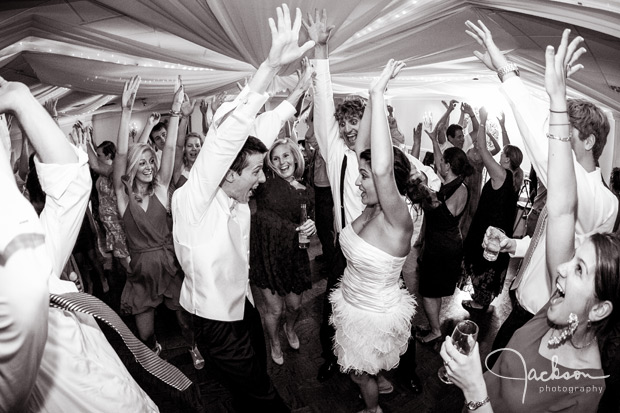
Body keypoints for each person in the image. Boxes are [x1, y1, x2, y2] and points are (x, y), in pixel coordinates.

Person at [440, 25, 619, 413]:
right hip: (529, 308)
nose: (556, 143)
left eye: (565, 135)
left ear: (587, 142)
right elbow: (555, 235)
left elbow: (550, 167)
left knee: (506, 390)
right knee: (496, 373)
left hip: (550, 313)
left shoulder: (601, 200)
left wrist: (509, 75)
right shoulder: (570, 192)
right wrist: (513, 244)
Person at [171, 5, 314, 412]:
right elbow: (227, 141)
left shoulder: (235, 191)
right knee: (261, 395)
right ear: (226, 173)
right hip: (214, 322)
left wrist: (295, 95)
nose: (263, 177)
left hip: (242, 307)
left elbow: (258, 136)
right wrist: (268, 68)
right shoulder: (194, 199)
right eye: (253, 172)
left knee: (253, 381)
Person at [0, 77, 158, 412]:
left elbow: (72, 183)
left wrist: (22, 99)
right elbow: (21, 297)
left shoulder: (32, 265)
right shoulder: (18, 279)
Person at [305, 9, 425, 392]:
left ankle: (402, 373)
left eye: (355, 121)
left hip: (382, 257)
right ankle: (336, 361)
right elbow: (324, 106)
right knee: (334, 310)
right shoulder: (344, 156)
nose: (348, 128)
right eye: (344, 125)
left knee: (394, 318)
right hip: (347, 248)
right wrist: (321, 53)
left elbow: (400, 175)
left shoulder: (386, 165)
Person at [329, 59, 415, 413]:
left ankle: (373, 409)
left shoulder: (398, 222)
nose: (358, 180)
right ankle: (378, 381)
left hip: (372, 313)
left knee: (357, 373)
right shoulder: (369, 210)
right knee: (367, 368)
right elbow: (365, 152)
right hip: (351, 301)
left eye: (364, 177)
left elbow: (379, 166)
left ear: (386, 184)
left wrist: (378, 95)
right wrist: (367, 100)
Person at [113, 75, 203, 368]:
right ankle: (154, 351)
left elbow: (172, 150)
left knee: (185, 320)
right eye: (144, 162)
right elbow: (122, 154)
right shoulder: (123, 196)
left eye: (152, 161)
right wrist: (125, 112)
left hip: (168, 264)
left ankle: (193, 346)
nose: (150, 166)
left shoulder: (162, 188)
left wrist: (175, 112)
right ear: (133, 168)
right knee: (146, 334)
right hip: (141, 272)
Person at [250, 137, 316, 365]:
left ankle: (290, 329)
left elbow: (306, 227)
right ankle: (275, 343)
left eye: (285, 155)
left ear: (295, 157)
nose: (281, 162)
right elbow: (261, 218)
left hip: (294, 256)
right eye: (275, 158)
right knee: (274, 310)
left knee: (295, 306)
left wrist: (310, 226)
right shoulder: (263, 185)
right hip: (267, 255)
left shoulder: (306, 191)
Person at [461, 106, 522, 311]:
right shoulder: (513, 175)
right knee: (490, 264)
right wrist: (503, 127)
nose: (501, 155)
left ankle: (479, 303)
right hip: (500, 228)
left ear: (506, 159)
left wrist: (483, 120)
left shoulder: (500, 174)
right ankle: (481, 299)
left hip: (488, 228)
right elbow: (508, 148)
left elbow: (482, 148)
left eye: (503, 154)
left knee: (483, 263)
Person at [418, 142, 473, 344]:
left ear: (448, 165)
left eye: (442, 160)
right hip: (438, 245)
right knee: (433, 292)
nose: (439, 162)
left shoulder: (461, 188)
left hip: (444, 248)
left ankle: (435, 331)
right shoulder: (449, 184)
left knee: (427, 292)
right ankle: (433, 324)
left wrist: (424, 194)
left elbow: (442, 215)